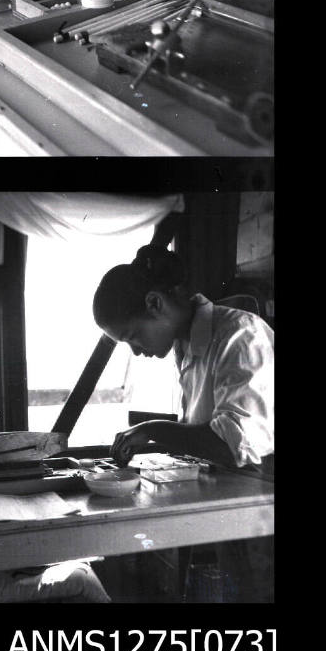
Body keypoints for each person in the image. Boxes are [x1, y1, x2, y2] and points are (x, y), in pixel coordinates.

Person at [92, 245, 274, 602]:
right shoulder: (186, 344)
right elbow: (204, 428)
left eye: (132, 336)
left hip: (261, 502)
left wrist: (155, 430)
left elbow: (232, 442)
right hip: (234, 501)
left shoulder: (239, 334)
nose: (136, 350)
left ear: (155, 304)